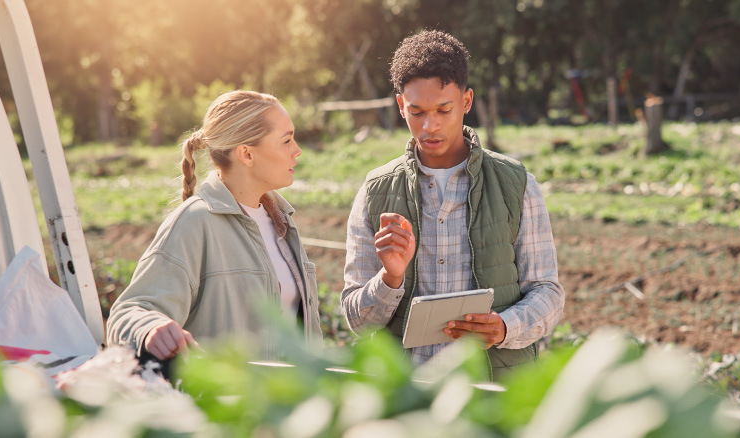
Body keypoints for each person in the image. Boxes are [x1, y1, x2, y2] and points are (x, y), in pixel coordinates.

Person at [341, 30, 565, 379]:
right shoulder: (375, 191)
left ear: (466, 101)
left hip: (493, 391)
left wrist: (504, 327)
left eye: (444, 109)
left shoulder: (517, 184)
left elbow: (547, 293)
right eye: (416, 112)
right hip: (407, 394)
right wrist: (391, 277)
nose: (430, 126)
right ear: (401, 106)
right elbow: (356, 319)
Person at [108, 90, 322, 362]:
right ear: (246, 154)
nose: (297, 150)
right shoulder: (195, 221)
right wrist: (149, 329)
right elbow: (128, 312)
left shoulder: (282, 223)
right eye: (287, 140)